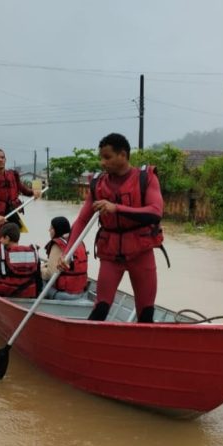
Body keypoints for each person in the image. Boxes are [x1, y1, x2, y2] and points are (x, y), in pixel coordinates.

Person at [61, 132, 164, 322]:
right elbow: (82, 221)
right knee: (100, 309)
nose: (102, 162)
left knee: (146, 315)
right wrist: (67, 252)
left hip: (141, 252)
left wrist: (116, 208)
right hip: (111, 255)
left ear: (123, 155)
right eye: (101, 157)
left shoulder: (146, 178)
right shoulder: (98, 184)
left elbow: (156, 212)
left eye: (107, 157)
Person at [0, 148, 41, 252]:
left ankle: (13, 267)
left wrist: (33, 193)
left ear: (5, 159)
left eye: (2, 157)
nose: (0, 160)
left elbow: (23, 189)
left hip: (11, 214)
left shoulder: (13, 175)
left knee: (13, 247)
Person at [41, 216, 89, 300]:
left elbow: (50, 275)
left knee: (37, 277)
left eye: (51, 228)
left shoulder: (57, 245)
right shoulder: (79, 242)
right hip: (80, 292)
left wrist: (40, 270)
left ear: (57, 229)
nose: (49, 230)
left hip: (63, 295)